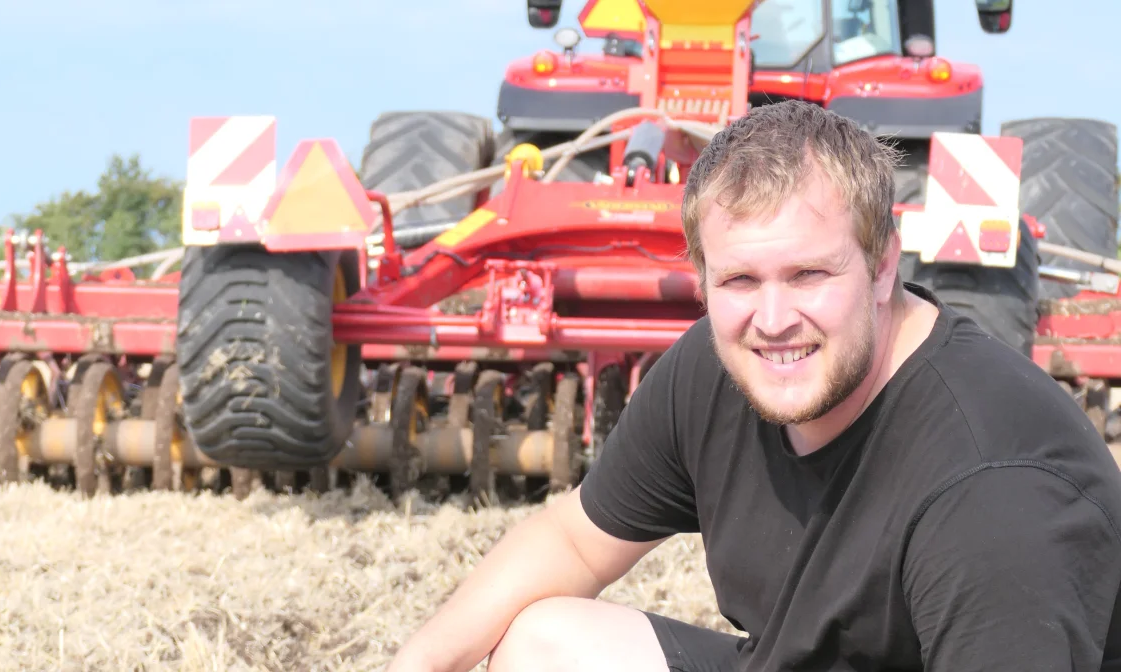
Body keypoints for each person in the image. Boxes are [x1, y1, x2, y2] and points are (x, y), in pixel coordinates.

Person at [386, 100, 1121, 671]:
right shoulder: (713, 371)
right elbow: (574, 540)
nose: (773, 320)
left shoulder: (991, 490)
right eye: (740, 279)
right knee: (545, 644)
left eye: (809, 273)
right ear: (701, 282)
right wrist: (418, 661)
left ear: (884, 265)